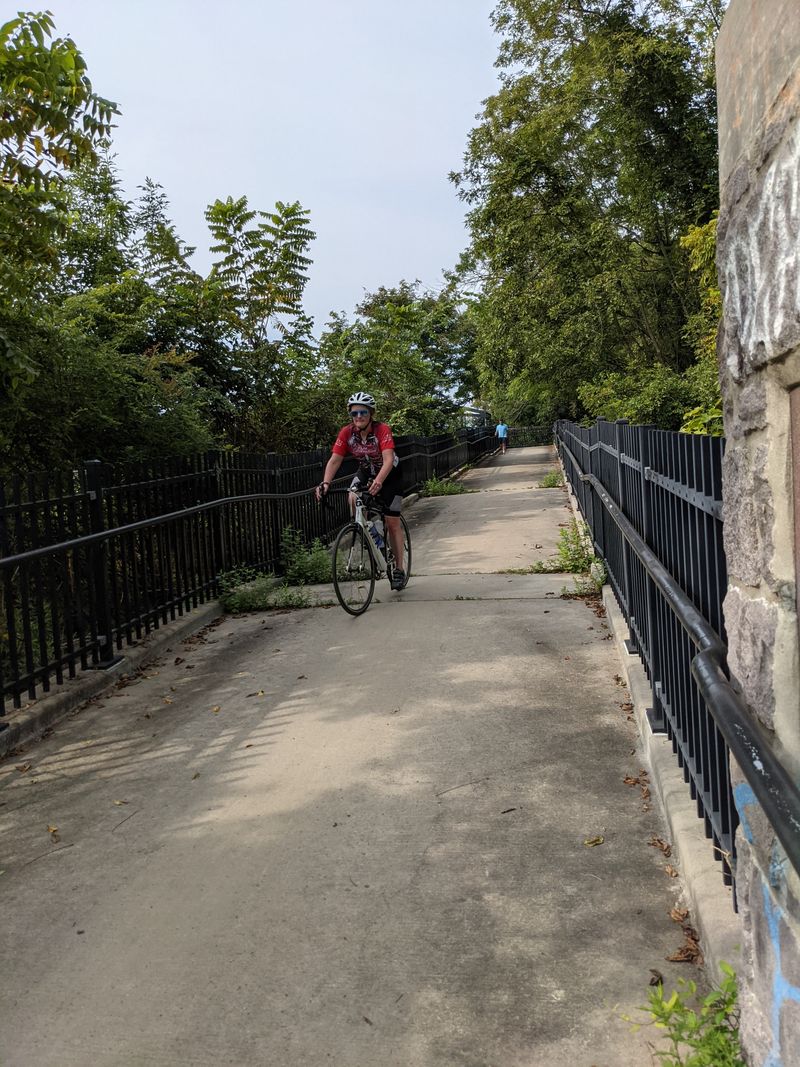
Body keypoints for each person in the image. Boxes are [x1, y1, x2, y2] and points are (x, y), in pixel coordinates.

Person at [315, 391, 407, 590]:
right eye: (354, 413)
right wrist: (325, 483)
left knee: (392, 522)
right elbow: (335, 460)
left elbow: (389, 459)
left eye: (363, 412)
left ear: (370, 413)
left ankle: (398, 569)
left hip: (389, 474)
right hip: (366, 471)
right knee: (352, 497)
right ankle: (372, 534)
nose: (358, 417)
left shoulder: (382, 430)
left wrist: (380, 481)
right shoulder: (347, 433)